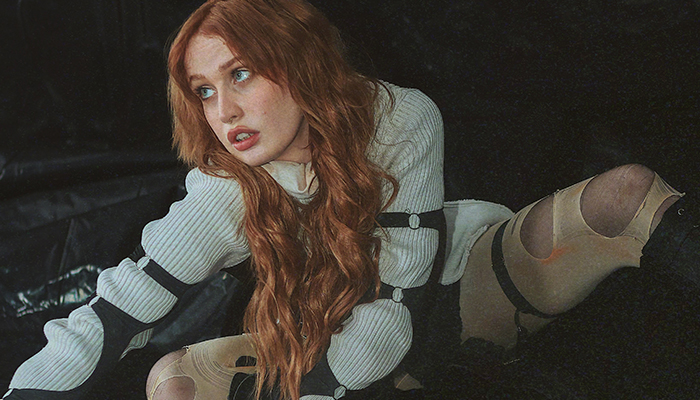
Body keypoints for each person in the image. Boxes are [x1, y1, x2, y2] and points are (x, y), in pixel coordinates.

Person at [3, 0, 697, 399]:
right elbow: (112, 314)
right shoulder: (226, 185)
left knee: (627, 193)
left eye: (240, 74)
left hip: (475, 293)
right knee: (172, 379)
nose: (224, 111)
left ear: (297, 61)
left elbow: (393, 311)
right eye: (204, 91)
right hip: (324, 349)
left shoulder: (399, 118)